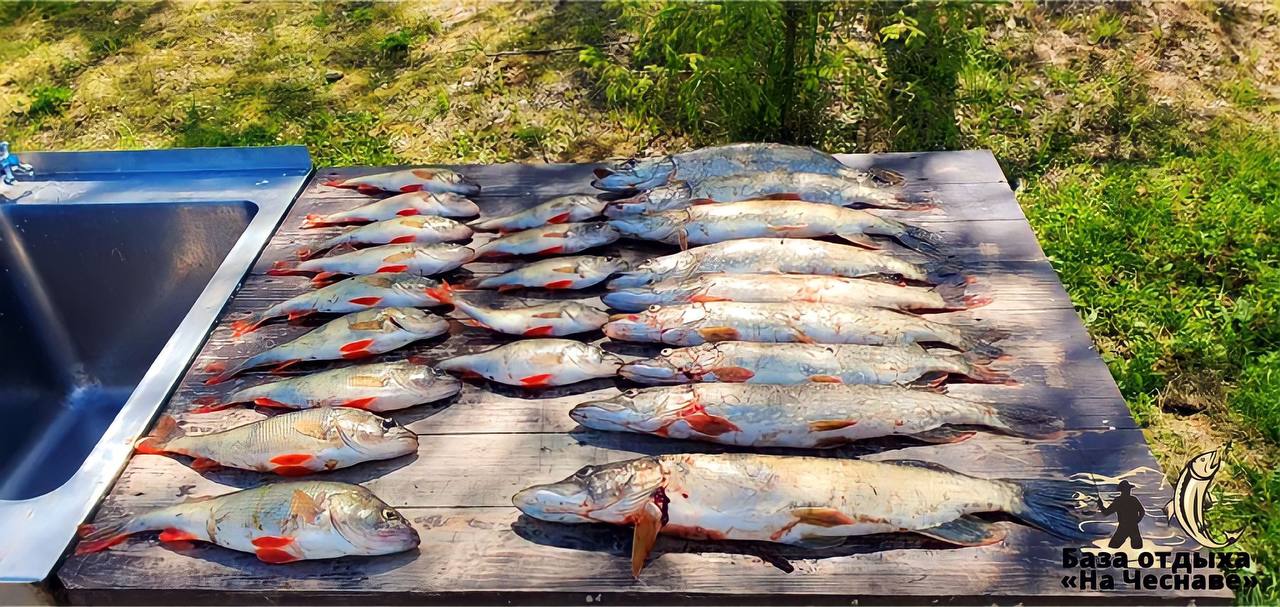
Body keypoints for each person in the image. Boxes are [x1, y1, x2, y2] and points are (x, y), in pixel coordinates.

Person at [1101, 480, 1145, 549]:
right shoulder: (1133, 499)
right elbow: (1142, 512)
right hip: (1132, 527)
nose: (1129, 491)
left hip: (1123, 527)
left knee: (1113, 546)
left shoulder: (1119, 500)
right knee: (1137, 547)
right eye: (1128, 489)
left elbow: (1106, 512)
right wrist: (1136, 521)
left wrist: (1100, 505)